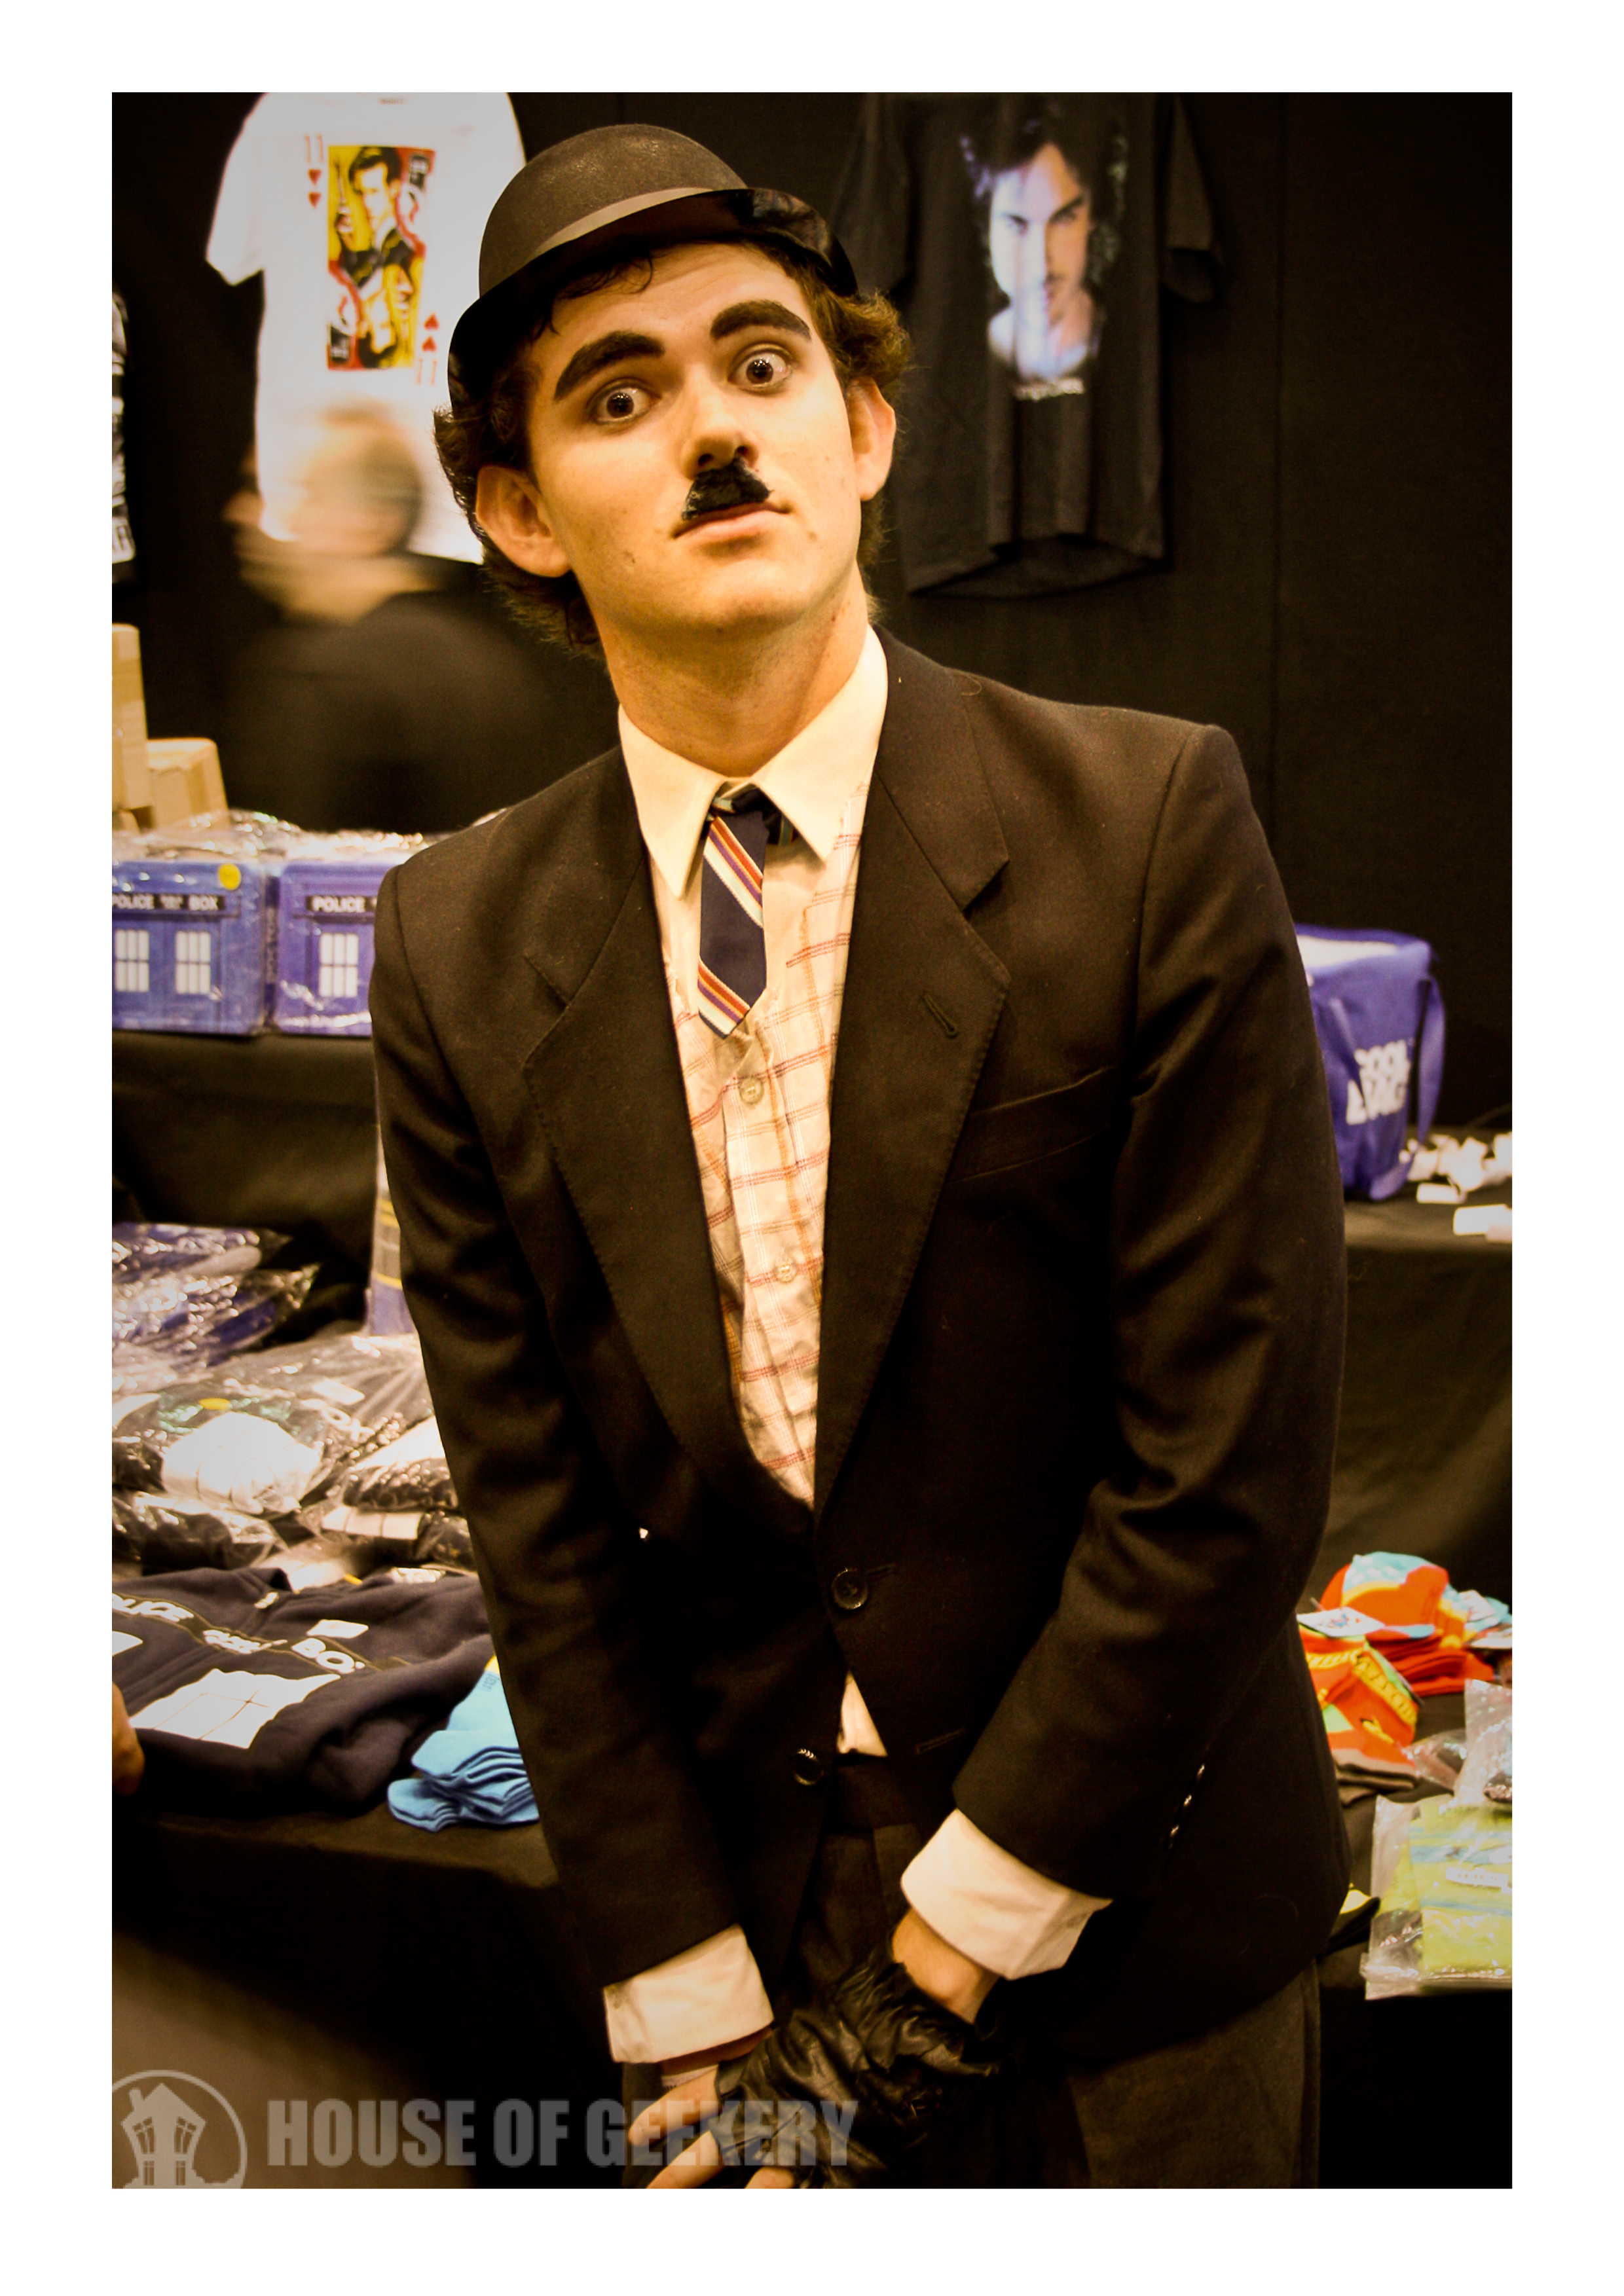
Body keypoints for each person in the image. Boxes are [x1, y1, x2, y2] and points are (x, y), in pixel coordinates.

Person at [369, 123, 1349, 2188]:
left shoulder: (1145, 827)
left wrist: (938, 1964)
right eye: (618, 398)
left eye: (762, 364)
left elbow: (1224, 1462)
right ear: (521, 513)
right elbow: (538, 1520)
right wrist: (681, 1971)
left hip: (1138, 1910)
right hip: (738, 1916)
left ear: (869, 427)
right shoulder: (454, 940)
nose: (716, 432)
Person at [221, 405, 575, 834]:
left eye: (283, 495)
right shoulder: (492, 663)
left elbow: (288, 867)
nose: (242, 513)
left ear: (374, 523)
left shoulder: (328, 677)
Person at [960, 99, 1126, 394]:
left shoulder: (1130, 339)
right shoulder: (960, 349)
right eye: (1016, 225)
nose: (1040, 262)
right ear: (987, 225)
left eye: (1063, 219)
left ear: (1093, 217)